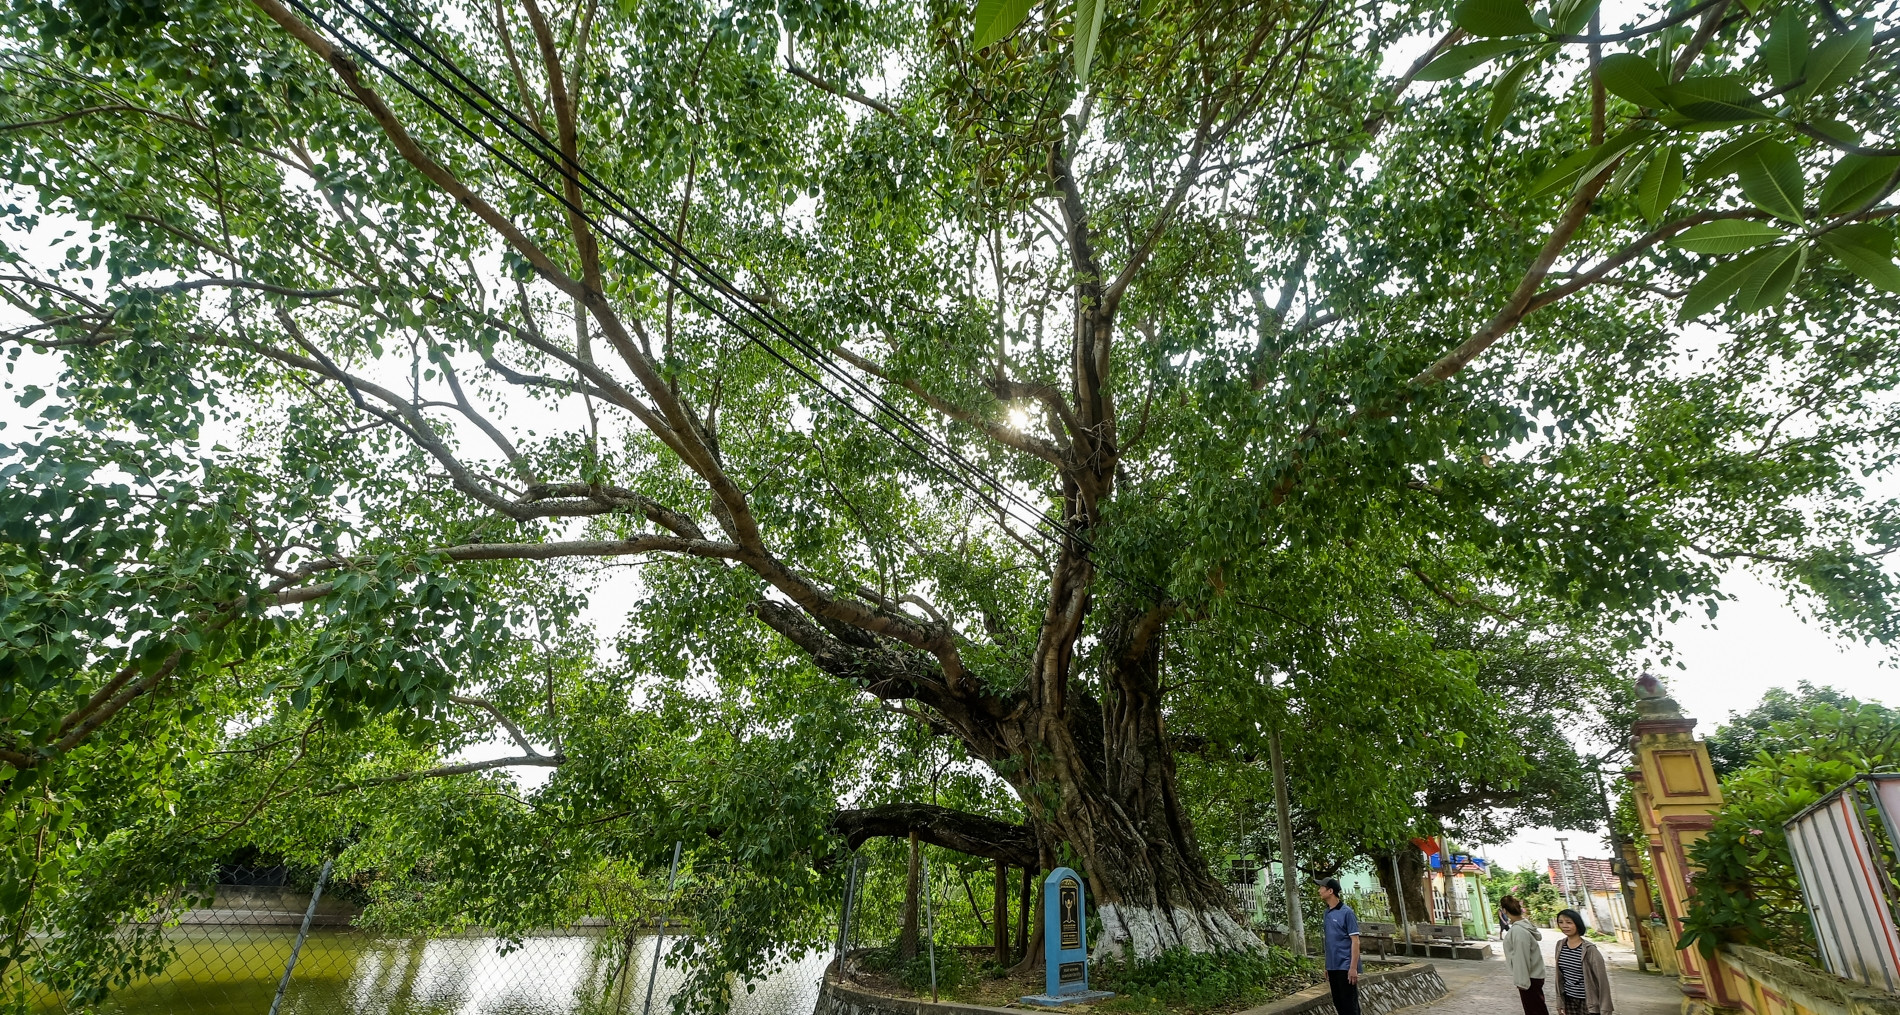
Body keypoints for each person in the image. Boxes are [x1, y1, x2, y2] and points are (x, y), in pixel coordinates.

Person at [1553, 908, 1614, 1015]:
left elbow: (1602, 980)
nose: (1564, 926)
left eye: (1569, 922)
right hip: (1569, 999)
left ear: (1577, 924)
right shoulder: (1560, 945)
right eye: (1561, 922)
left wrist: (1605, 1008)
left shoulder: (1590, 950)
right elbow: (1560, 977)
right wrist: (1560, 1002)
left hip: (1587, 1001)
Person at [1316, 878, 1362, 1015]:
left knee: (1349, 1005)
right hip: (1333, 966)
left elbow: (1355, 941)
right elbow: (1330, 941)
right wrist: (1327, 965)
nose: (1319, 890)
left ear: (1330, 891)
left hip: (1345, 966)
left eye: (1321, 887)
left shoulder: (1347, 912)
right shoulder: (1327, 913)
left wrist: (1353, 968)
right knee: (1338, 1002)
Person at [1500, 896, 1549, 1015]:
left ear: (1504, 910)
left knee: (1535, 1010)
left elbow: (1521, 957)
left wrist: (1522, 982)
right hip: (1532, 976)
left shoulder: (1518, 931)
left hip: (1529, 977)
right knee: (1537, 1007)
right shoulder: (1523, 926)